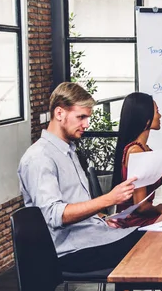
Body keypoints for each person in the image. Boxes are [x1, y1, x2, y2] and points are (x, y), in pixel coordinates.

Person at [18, 82, 140, 273]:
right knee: (154, 244)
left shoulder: (68, 150)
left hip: (90, 238)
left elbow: (76, 204)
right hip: (70, 252)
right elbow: (54, 215)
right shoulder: (39, 157)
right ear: (59, 113)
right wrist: (109, 199)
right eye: (81, 117)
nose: (86, 124)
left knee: (158, 240)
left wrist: (103, 218)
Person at [112, 92, 162, 227]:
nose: (160, 116)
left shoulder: (143, 149)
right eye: (157, 112)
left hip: (138, 219)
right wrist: (159, 209)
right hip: (135, 222)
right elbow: (141, 206)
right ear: (146, 118)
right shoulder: (136, 152)